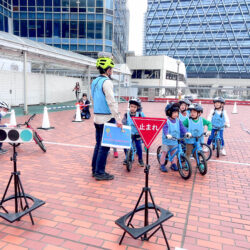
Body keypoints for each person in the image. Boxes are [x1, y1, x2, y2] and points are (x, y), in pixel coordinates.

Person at [91, 52, 122, 181]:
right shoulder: (107, 82)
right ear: (108, 70)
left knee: (98, 145)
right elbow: (111, 101)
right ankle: (100, 172)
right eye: (112, 69)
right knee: (104, 147)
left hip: (97, 117)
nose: (112, 71)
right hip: (106, 118)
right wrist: (118, 118)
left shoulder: (95, 81)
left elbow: (94, 100)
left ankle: (95, 169)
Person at [160, 103, 187, 172]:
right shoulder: (166, 121)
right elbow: (165, 129)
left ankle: (174, 164)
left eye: (177, 112)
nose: (176, 114)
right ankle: (162, 165)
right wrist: (167, 134)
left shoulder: (178, 121)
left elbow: (182, 128)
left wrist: (186, 133)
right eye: (174, 112)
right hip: (167, 141)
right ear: (169, 113)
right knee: (164, 152)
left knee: (174, 153)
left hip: (175, 140)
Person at [122, 99, 145, 167]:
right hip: (128, 133)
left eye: (134, 107)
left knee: (138, 146)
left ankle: (140, 160)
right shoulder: (126, 114)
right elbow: (123, 122)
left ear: (137, 108)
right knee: (125, 145)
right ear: (129, 107)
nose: (132, 108)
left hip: (137, 133)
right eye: (131, 106)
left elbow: (145, 122)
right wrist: (123, 127)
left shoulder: (140, 114)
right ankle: (127, 157)